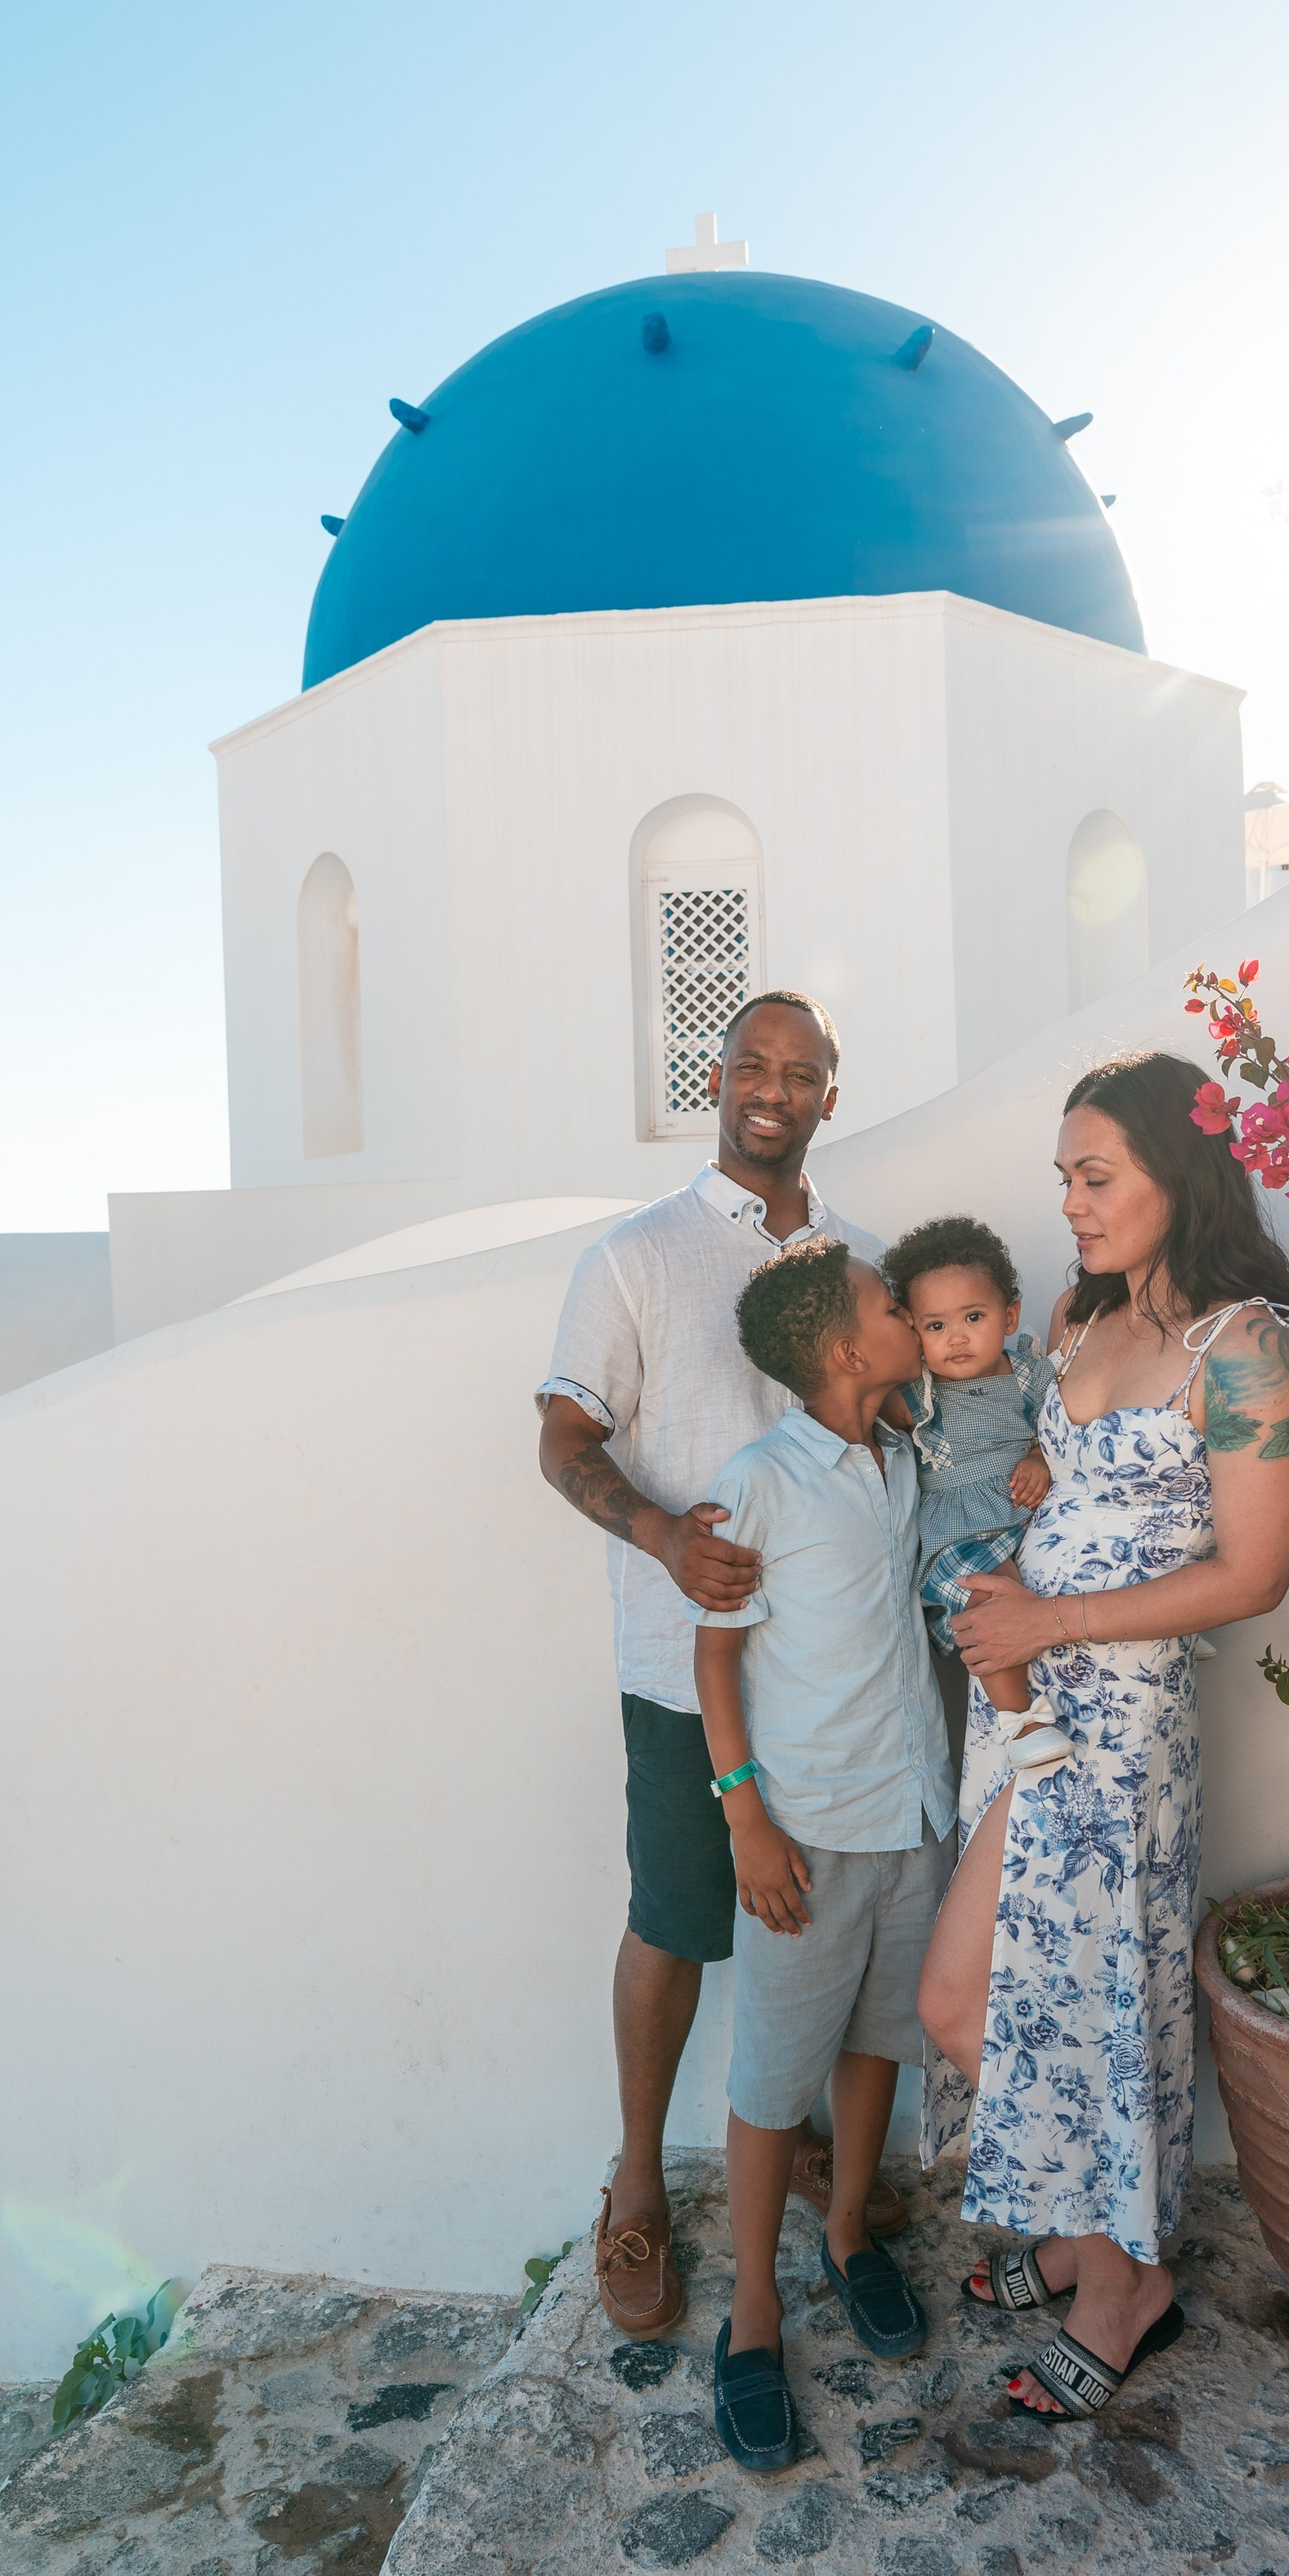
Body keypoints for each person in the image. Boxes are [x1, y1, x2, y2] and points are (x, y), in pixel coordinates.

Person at [915, 1050, 1289, 2423]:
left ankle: (1122, 2280)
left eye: (1099, 1175)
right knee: (1004, 2001)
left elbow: (1253, 1572)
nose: (1073, 1203)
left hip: (1118, 1729)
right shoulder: (1081, 1316)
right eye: (1065, 1178)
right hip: (1027, 1713)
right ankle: (1091, 2244)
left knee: (1061, 2004)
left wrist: (1049, 1618)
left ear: (1176, 1173)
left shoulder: (1245, 1343)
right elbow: (1048, 1466)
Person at [536, 991, 901, 2340]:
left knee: (817, 1920)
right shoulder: (637, 1255)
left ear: (827, 1097)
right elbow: (565, 1438)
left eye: (800, 1071)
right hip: (683, 1672)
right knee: (680, 1919)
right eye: (753, 1063)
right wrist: (656, 1535)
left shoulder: (861, 1263)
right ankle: (637, 2176)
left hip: (840, 1679)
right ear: (717, 1076)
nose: (773, 1087)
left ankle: (798, 2136)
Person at [689, 1240, 955, 2468]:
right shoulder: (760, 1482)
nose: (910, 1316)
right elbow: (716, 1652)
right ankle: (754, 2307)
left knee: (876, 2037)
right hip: (803, 1831)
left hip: (913, 1813)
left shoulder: (906, 1453)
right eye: (890, 1306)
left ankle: (849, 2229)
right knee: (772, 2076)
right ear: (848, 1348)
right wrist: (744, 1812)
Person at [880, 1214, 1068, 1778]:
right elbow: (855, 1406)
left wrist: (1038, 1455)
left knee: (1090, 1541)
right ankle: (1020, 1721)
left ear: (1009, 1315)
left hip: (1024, 1509)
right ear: (913, 1330)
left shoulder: (1030, 1375)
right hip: (958, 1530)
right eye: (935, 1326)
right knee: (989, 1598)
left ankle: (1159, 1629)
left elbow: (1064, 1427)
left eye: (974, 1317)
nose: (956, 1337)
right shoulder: (917, 1392)